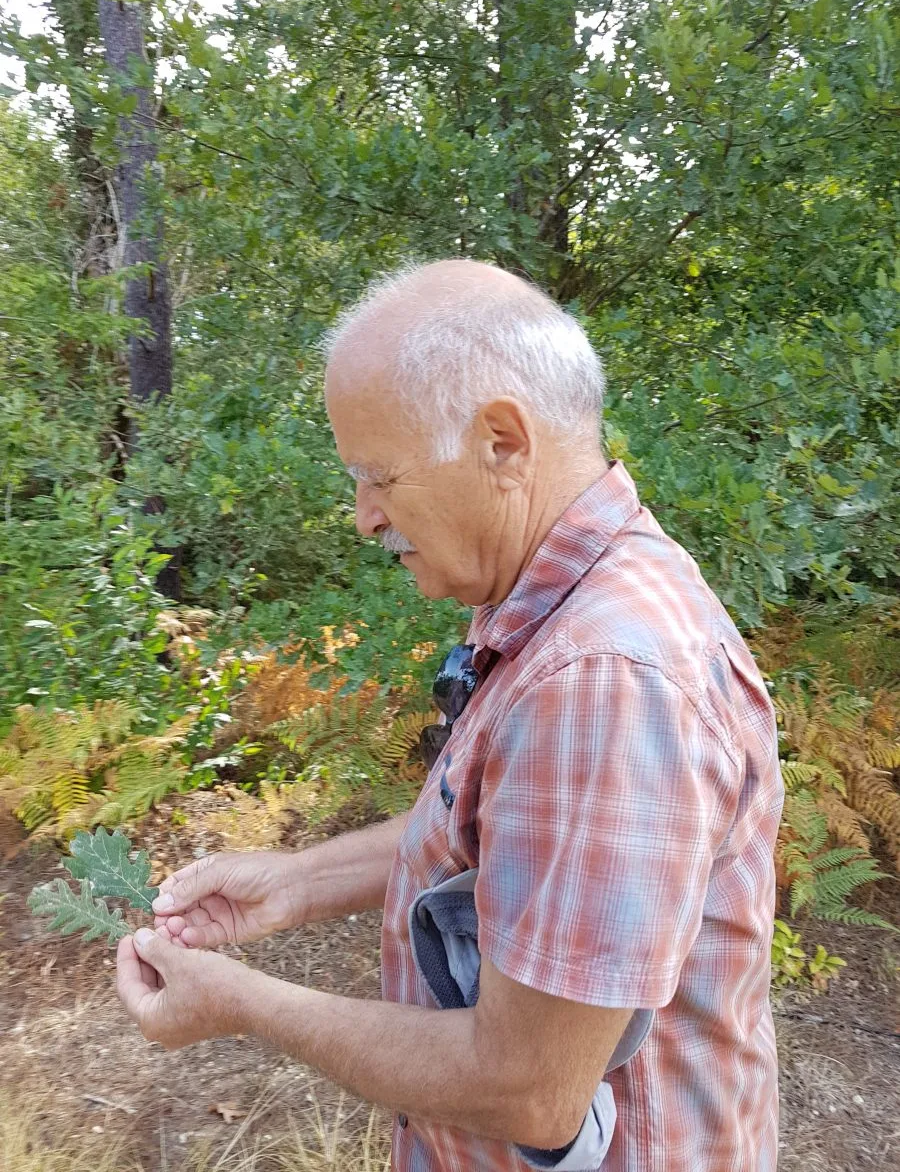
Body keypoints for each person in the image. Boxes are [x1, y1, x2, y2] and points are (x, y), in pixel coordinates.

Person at [118, 259, 784, 1172]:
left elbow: (529, 1091)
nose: (363, 517)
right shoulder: (558, 602)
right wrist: (298, 881)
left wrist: (238, 1002)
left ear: (503, 442)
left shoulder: (604, 678)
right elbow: (510, 834)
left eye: (378, 477)